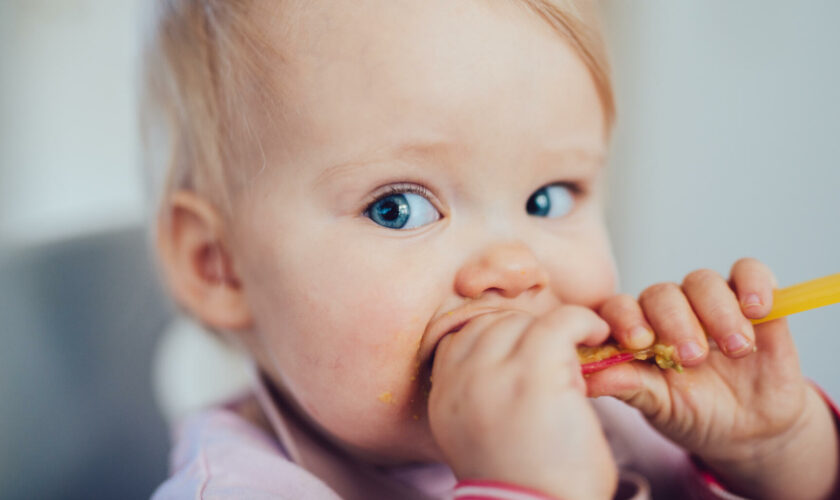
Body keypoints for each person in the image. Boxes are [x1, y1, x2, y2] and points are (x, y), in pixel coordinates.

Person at [142, 1, 840, 498]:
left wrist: (776, 456)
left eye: (550, 198)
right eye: (399, 208)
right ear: (220, 264)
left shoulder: (615, 421)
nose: (513, 267)